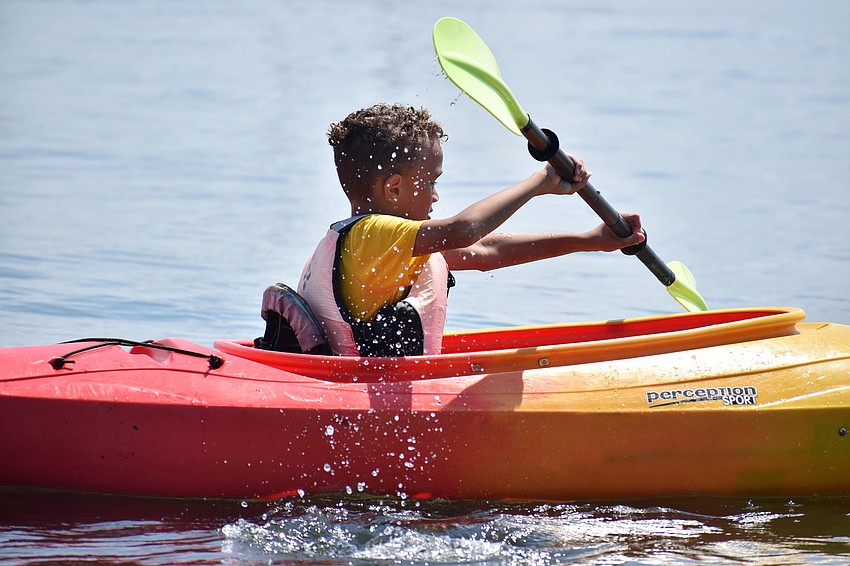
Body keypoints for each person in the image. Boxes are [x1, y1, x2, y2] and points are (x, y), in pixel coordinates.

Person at [297, 103, 644, 357]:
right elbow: (465, 231)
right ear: (393, 189)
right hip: (372, 393)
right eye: (431, 182)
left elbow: (485, 252)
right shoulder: (374, 235)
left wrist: (590, 240)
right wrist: (541, 181)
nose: (436, 196)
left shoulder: (370, 244)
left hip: (361, 384)